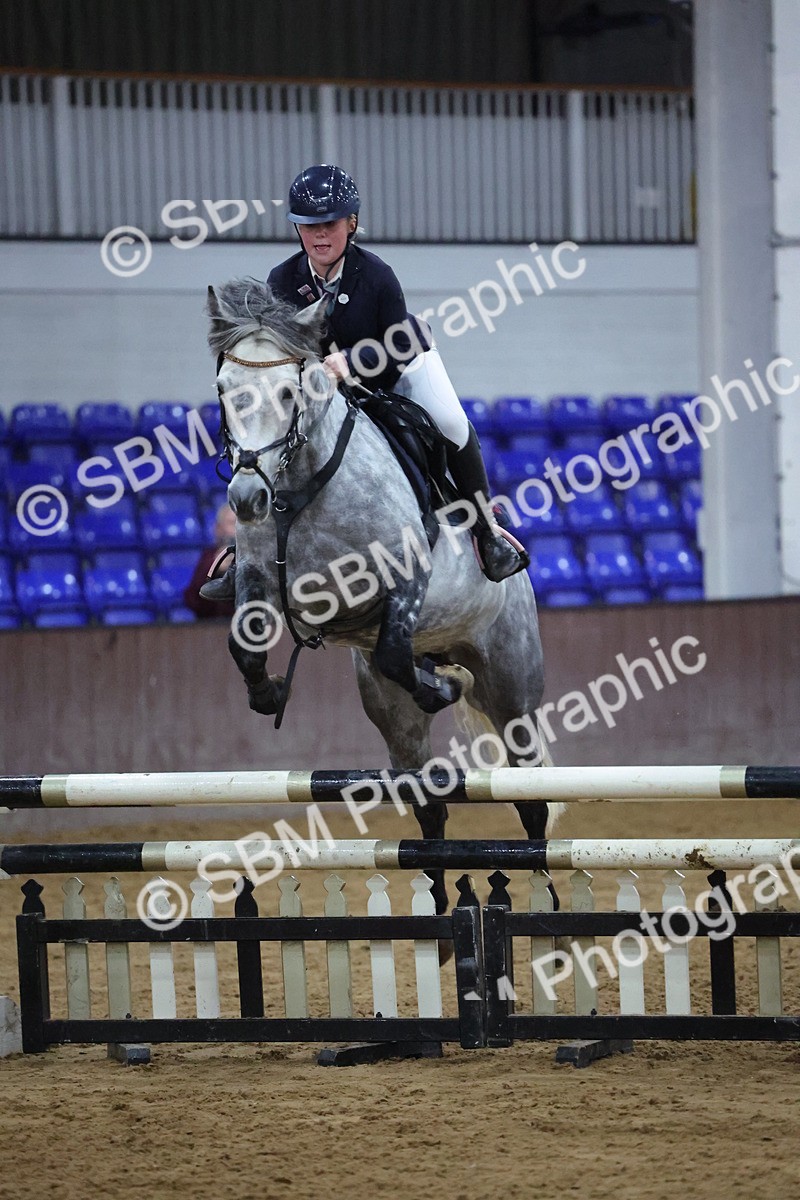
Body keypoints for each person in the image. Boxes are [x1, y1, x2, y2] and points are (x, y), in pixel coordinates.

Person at [201, 164, 528, 602]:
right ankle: (245, 558)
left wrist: (350, 362)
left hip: (398, 369)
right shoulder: (282, 280)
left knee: (450, 421)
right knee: (274, 445)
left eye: (329, 224)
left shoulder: (376, 275)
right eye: (308, 225)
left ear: (350, 224)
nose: (319, 235)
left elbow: (399, 344)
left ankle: (487, 533)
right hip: (324, 390)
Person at [185, 503, 237, 618]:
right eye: (232, 523)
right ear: (218, 529)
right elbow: (193, 601)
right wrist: (214, 569)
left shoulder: (257, 558)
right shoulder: (208, 558)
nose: (238, 529)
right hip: (214, 627)